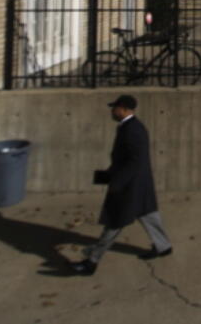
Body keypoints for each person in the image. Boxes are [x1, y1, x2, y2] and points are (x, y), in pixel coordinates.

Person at [72, 94, 172, 275]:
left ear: (125, 109)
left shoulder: (132, 130)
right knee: (148, 214)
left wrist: (117, 182)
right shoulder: (129, 127)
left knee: (114, 221)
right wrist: (110, 173)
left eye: (115, 108)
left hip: (129, 185)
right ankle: (163, 246)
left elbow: (134, 161)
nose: (112, 111)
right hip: (137, 183)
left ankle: (92, 261)